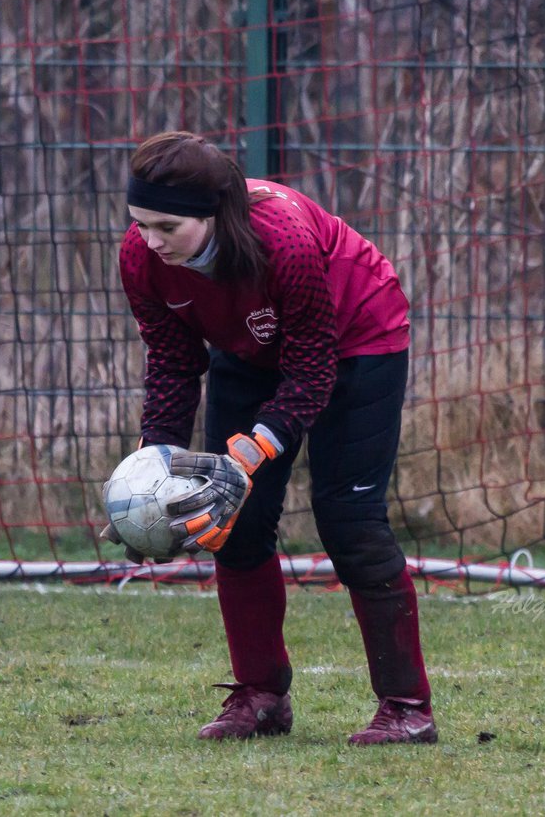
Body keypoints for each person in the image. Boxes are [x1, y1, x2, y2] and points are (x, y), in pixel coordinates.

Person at [110, 130, 436, 746]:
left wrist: (251, 453)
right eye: (139, 223)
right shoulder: (140, 257)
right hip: (249, 350)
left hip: (358, 341)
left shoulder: (280, 241)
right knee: (229, 519)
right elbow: (175, 363)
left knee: (351, 523)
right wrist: (153, 471)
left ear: (212, 215)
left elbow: (312, 370)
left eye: (166, 227)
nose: (149, 240)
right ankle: (260, 697)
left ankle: (407, 708)